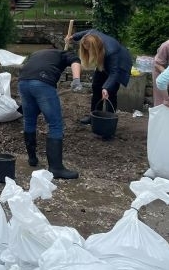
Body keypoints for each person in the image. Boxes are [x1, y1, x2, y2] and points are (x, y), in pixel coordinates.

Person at [18, 49, 83, 179]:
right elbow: (76, 62)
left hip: (23, 81)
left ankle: (32, 159)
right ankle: (56, 168)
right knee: (55, 124)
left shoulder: (37, 53)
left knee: (29, 120)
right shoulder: (65, 54)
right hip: (42, 82)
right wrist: (76, 79)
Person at [67, 30, 132, 123]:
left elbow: (114, 73)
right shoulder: (91, 34)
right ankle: (93, 116)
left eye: (89, 50)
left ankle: (110, 121)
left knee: (111, 92)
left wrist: (106, 88)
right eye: (85, 49)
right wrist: (73, 37)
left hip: (119, 64)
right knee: (96, 87)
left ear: (95, 48)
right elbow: (85, 32)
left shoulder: (111, 51)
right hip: (103, 59)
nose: (87, 52)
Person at [153, 40, 169, 107]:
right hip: (159, 70)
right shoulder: (166, 45)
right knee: (161, 103)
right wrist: (166, 99)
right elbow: (157, 65)